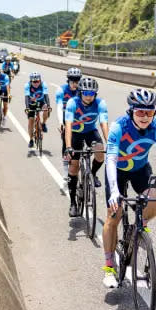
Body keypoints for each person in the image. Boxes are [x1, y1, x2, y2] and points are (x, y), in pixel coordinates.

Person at [101, 88, 156, 287]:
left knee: (155, 200)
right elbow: (110, 159)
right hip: (117, 172)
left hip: (140, 169)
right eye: (140, 112)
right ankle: (109, 267)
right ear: (131, 111)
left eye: (149, 112)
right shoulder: (119, 126)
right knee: (114, 216)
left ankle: (137, 228)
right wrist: (114, 192)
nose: (145, 117)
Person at [63, 77, 108, 217]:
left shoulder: (100, 103)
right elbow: (68, 125)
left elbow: (104, 123)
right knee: (74, 166)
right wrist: (69, 146)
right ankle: (73, 203)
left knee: (100, 152)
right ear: (81, 92)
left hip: (90, 132)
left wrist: (110, 144)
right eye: (86, 93)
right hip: (75, 134)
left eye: (92, 93)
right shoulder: (72, 102)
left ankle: (92, 174)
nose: (89, 96)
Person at [54, 67, 82, 169]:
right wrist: (61, 122)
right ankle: (66, 167)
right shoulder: (61, 90)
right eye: (73, 81)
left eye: (78, 81)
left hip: (80, 120)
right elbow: (60, 107)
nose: (75, 84)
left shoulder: (82, 90)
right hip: (66, 119)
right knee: (66, 143)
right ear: (68, 80)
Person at [24, 72, 50, 148]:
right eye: (34, 82)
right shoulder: (27, 85)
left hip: (41, 101)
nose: (36, 83)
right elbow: (26, 97)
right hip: (31, 103)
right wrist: (27, 107)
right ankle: (31, 140)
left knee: (46, 109)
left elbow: (46, 95)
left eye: (37, 81)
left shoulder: (43, 84)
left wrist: (48, 106)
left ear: (40, 80)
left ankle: (44, 123)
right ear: (31, 81)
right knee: (31, 121)